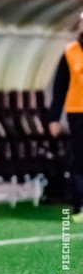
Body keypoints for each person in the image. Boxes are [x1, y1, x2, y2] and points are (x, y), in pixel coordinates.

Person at [49, 13, 83, 224]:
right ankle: (80, 205)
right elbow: (59, 87)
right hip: (77, 113)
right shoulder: (70, 51)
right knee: (80, 159)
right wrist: (54, 118)